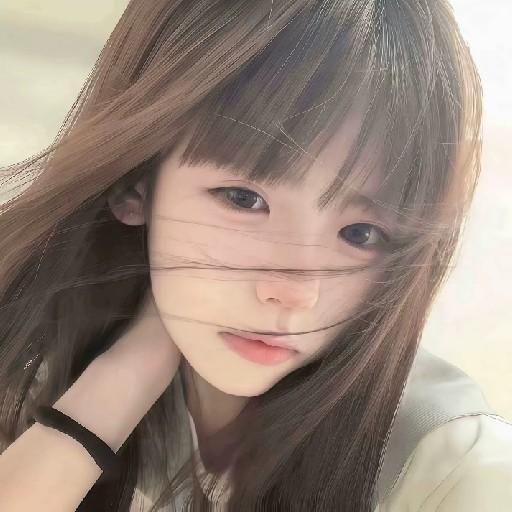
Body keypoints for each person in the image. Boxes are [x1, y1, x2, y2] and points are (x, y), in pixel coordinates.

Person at [0, 0, 511, 510]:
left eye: (360, 233)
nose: (295, 292)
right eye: (244, 200)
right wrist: (116, 387)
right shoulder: (46, 364)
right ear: (136, 180)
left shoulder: (454, 472)